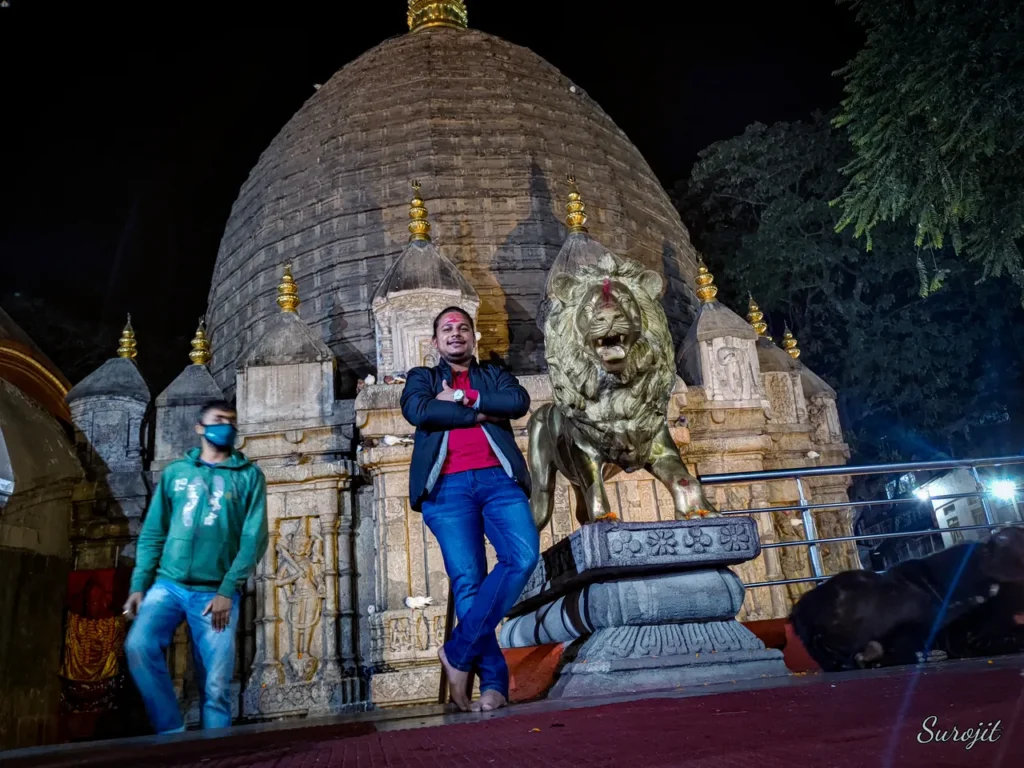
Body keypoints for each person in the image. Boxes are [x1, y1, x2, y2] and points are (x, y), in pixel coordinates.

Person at [401, 307, 539, 713]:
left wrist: (463, 397)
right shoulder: (421, 379)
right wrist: (481, 412)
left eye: (463, 328)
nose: (456, 334)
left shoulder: (493, 374)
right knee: (468, 583)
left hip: (499, 482)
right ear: (435, 341)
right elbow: (420, 410)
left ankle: (458, 652)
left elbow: (517, 401)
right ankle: (494, 684)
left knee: (523, 556)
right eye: (447, 329)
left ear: (474, 337)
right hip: (447, 489)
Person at [123, 400, 268, 734]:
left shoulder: (248, 477)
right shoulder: (176, 473)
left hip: (213, 592)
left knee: (216, 684)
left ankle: (214, 754)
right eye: (219, 420)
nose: (227, 427)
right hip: (168, 585)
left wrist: (228, 588)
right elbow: (154, 532)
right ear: (200, 428)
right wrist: (138, 584)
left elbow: (254, 537)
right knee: (138, 646)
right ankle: (171, 733)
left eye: (232, 421)